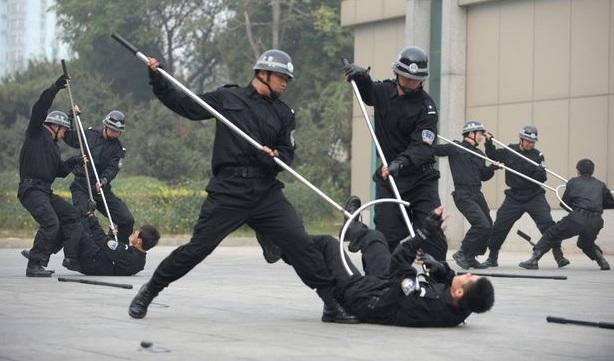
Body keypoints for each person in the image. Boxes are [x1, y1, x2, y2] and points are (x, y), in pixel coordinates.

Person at [128, 49, 357, 323]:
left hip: (265, 190)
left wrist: (276, 157)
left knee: (300, 243)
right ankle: (150, 291)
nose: (286, 83)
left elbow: (287, 154)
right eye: (282, 77)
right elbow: (185, 106)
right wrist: (158, 79)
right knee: (197, 249)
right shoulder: (227, 98)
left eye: (288, 78)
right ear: (263, 74)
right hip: (229, 190)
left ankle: (331, 303)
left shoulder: (285, 113)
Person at [343, 47, 447, 260]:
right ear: (397, 74)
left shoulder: (427, 108)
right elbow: (368, 92)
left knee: (434, 243)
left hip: (420, 180)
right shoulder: (383, 92)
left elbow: (422, 146)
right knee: (387, 239)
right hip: (389, 179)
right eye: (406, 77)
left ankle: (435, 286)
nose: (410, 83)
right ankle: (355, 231)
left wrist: (400, 162)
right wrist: (361, 77)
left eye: (416, 79)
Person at [316, 204, 494, 327]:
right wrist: (440, 270)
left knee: (328, 244)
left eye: (470, 278)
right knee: (374, 237)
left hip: (368, 298)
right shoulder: (465, 303)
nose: (468, 274)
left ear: (460, 292)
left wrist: (424, 233)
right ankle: (351, 227)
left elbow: (399, 263)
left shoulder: (425, 305)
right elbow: (451, 283)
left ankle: (332, 302)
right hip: (388, 287)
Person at [18, 75, 84, 277]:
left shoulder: (53, 148)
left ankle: (63, 257)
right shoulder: (36, 133)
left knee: (71, 215)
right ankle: (34, 265)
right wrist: (56, 87)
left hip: (45, 191)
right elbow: (40, 107)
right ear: (54, 127)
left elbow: (60, 172)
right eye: (64, 130)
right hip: (31, 190)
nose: (65, 135)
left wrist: (75, 160)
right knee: (51, 222)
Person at [481, 126, 569, 268]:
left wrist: (540, 172)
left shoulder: (538, 155)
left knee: (547, 223)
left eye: (532, 142)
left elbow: (542, 179)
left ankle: (558, 255)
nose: (530, 144)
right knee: (500, 225)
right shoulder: (510, 150)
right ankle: (492, 257)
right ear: (521, 140)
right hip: (514, 196)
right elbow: (492, 155)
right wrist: (489, 142)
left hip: (534, 195)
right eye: (527, 141)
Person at [519, 159, 613, 270]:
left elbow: (564, 203)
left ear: (578, 170)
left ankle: (533, 260)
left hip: (578, 216)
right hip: (596, 221)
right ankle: (602, 260)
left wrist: (578, 210)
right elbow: (611, 203)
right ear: (592, 171)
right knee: (585, 243)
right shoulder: (601, 185)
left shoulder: (573, 182)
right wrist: (595, 206)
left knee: (551, 234)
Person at [433, 121, 502, 269]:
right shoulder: (456, 147)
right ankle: (462, 253)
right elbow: (436, 150)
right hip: (463, 194)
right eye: (480, 134)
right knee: (481, 224)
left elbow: (483, 175)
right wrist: (426, 139)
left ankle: (470, 256)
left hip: (477, 193)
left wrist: (492, 168)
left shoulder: (479, 154)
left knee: (488, 226)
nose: (482, 137)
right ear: (471, 134)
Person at [64, 108, 135, 243]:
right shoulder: (89, 135)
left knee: (127, 220)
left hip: (100, 187)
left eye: (118, 132)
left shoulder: (118, 149)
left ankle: (118, 248)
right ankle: (75, 258)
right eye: (113, 130)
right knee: (85, 220)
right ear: (106, 126)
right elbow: (68, 137)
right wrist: (70, 117)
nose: (115, 134)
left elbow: (112, 169)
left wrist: (103, 180)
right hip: (81, 185)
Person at [20, 214, 159, 276]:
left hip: (91, 261)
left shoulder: (128, 254)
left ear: (139, 241)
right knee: (76, 223)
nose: (134, 233)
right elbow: (113, 256)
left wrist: (93, 218)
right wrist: (111, 235)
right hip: (97, 260)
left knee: (72, 222)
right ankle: (41, 256)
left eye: (136, 233)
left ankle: (70, 260)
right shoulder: (139, 260)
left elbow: (101, 241)